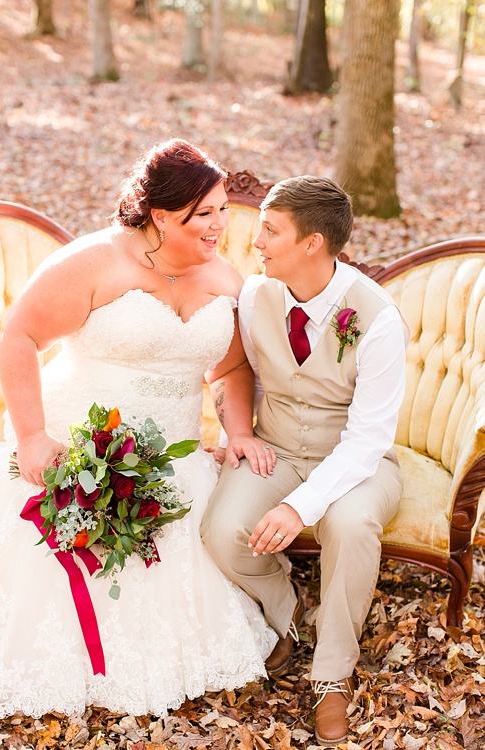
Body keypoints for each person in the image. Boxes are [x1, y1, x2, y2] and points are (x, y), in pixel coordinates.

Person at [0, 138, 279, 719]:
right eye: (206, 214)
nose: (221, 225)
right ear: (161, 216)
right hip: (78, 450)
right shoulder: (93, 263)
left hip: (177, 460)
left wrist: (238, 431)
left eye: (223, 208)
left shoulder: (226, 276)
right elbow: (17, 335)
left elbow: (232, 366)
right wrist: (32, 438)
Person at [201, 175, 408, 746]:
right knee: (220, 531)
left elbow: (367, 440)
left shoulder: (379, 318)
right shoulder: (254, 295)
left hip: (359, 463)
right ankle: (288, 613)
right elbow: (241, 374)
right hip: (278, 449)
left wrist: (299, 506)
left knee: (349, 520)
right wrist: (238, 435)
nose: (255, 241)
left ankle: (332, 674)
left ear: (312, 242)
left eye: (269, 230)